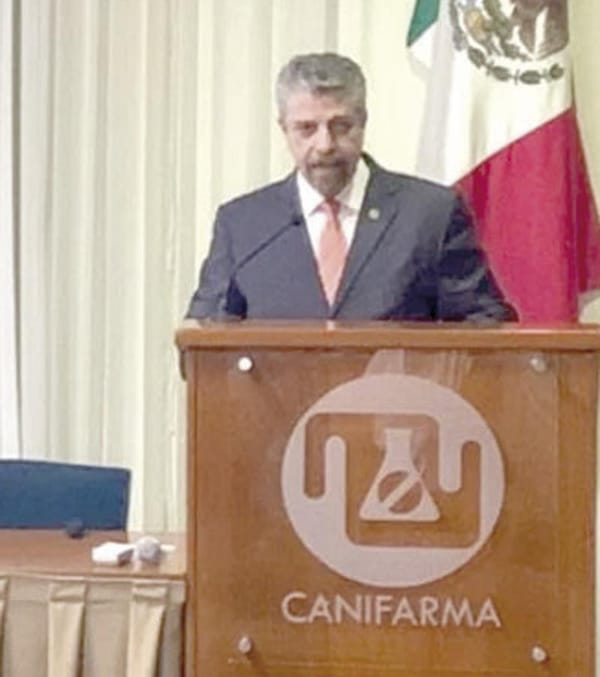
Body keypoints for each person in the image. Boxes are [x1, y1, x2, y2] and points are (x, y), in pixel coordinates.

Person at [186, 52, 517, 322]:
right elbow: (203, 341)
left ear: (363, 122)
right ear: (283, 128)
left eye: (341, 126)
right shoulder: (243, 225)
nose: (325, 145)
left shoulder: (430, 214)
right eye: (306, 128)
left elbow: (484, 324)